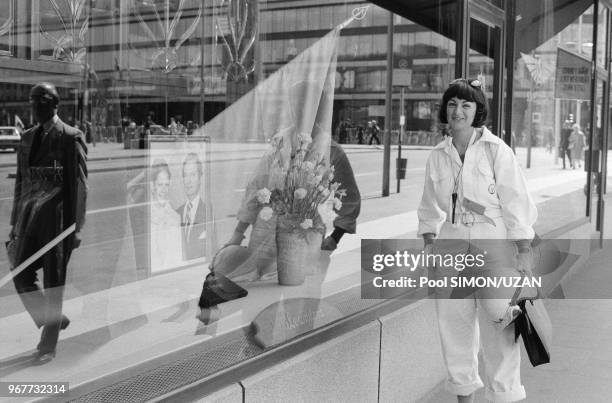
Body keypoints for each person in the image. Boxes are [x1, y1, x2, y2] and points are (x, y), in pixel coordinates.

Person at [417, 78, 537, 402]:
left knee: (502, 327)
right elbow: (429, 209)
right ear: (446, 109)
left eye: (466, 105)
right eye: (453, 104)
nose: (458, 111)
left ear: (476, 111)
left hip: (494, 246)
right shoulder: (437, 156)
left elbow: (517, 203)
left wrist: (523, 250)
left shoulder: (497, 151)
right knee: (453, 331)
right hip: (451, 247)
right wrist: (429, 247)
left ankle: (504, 396)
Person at [8, 82, 88, 365]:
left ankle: (48, 346)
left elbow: (79, 186)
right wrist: (14, 223)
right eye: (32, 102)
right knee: (20, 274)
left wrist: (76, 228)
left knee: (55, 282)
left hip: (57, 223)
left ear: (55, 105)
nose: (35, 107)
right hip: (29, 220)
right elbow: (21, 183)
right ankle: (54, 318)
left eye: (41, 102)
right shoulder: (27, 138)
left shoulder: (70, 137)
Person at [149, 160, 182, 271]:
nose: (163, 190)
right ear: (152, 185)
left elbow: (177, 258)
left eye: (166, 185)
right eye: (160, 185)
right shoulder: (146, 216)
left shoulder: (175, 218)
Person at [177, 153, 207, 260]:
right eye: (185, 175)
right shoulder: (176, 213)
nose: (188, 181)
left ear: (200, 178)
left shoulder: (208, 212)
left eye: (193, 175)